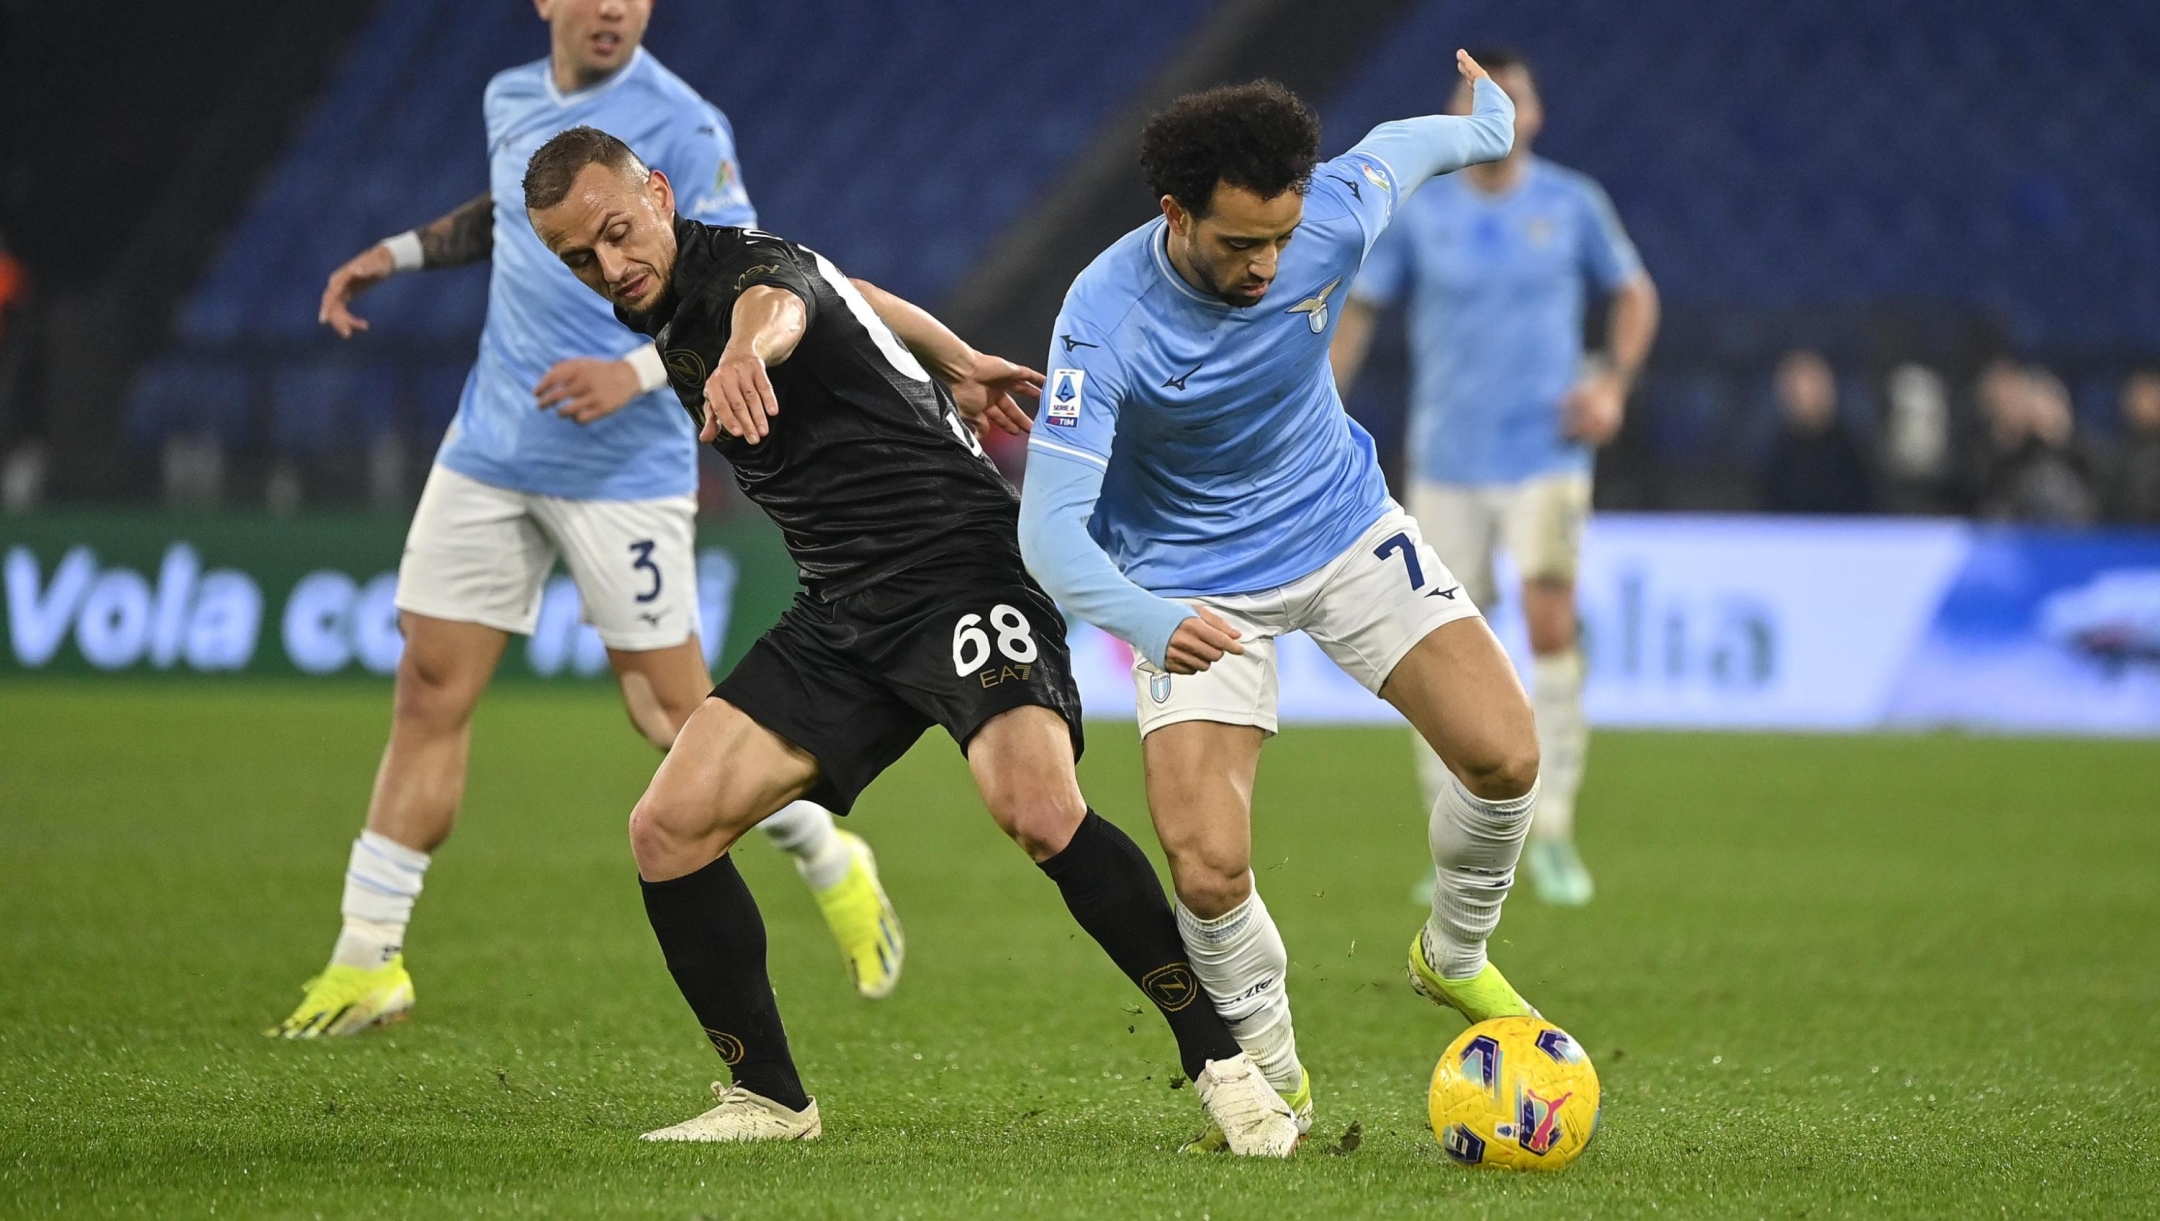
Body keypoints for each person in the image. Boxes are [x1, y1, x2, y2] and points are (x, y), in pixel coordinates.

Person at [522, 126, 1302, 1153]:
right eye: (580, 258)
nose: (610, 267)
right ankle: (770, 1100)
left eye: (619, 233)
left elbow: (789, 303)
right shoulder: (681, 299)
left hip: (960, 567)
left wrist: (748, 355)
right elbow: (851, 289)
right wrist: (956, 357)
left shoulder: (741, 281)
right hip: (842, 609)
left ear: (658, 195)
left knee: (1036, 807)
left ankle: (1225, 1065)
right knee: (666, 831)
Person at [271, 0, 902, 1039]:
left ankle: (828, 855)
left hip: (625, 466)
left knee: (667, 717)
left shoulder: (685, 124)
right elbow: (511, 214)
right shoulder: (509, 96)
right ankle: (366, 958)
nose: (614, 7)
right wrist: (399, 251)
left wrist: (636, 370)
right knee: (429, 687)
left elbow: (753, 273)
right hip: (490, 444)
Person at [1019, 55, 1538, 1148]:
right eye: (1238, 246)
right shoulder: (1104, 319)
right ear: (1176, 214)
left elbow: (1414, 146)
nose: (1267, 266)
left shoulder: (1332, 215)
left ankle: (1453, 954)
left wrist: (1488, 120)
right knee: (1206, 865)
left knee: (1506, 756)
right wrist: (1150, 621)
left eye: (1279, 241)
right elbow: (1049, 529)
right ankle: (1278, 1078)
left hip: (1343, 528)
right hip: (1188, 583)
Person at [1330, 47, 1658, 908]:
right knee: (1434, 645)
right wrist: (1319, 405)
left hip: (1546, 453)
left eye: (1513, 97)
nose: (1501, 111)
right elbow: (1359, 310)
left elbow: (1634, 295)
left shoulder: (1572, 203)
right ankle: (1452, 839)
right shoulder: (1423, 211)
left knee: (1550, 615)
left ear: (1535, 114)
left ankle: (1551, 832)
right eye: (1481, 98)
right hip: (1446, 458)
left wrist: (1611, 386)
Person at [1969, 362, 2100, 525]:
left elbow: (2097, 479)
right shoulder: (1995, 445)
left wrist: (2059, 435)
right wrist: (2010, 437)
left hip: (2069, 530)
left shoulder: (2078, 447)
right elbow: (1980, 490)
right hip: (2009, 528)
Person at [1759, 350, 1876, 514]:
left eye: (1814, 384)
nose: (1807, 394)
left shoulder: (1853, 447)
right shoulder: (1772, 451)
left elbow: (1870, 503)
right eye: (1798, 387)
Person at [2104, 370, 2160, 524]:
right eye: (2135, 397)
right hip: (2124, 536)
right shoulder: (2117, 452)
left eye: (2147, 397)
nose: (2140, 404)